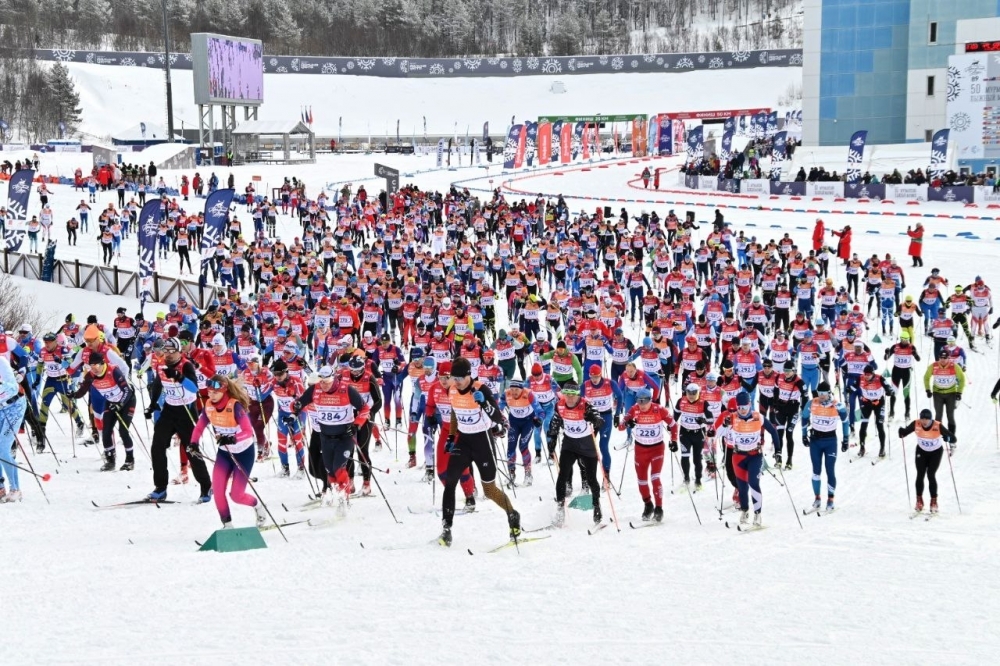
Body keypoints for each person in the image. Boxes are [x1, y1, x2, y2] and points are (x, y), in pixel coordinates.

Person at [439, 356, 520, 546]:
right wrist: (451, 437)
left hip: (482, 441)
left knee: (489, 490)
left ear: (469, 376)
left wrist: (484, 403)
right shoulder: (452, 390)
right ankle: (446, 529)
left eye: (459, 378)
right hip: (464, 441)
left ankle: (513, 515)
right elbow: (454, 412)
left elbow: (498, 417)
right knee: (450, 482)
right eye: (454, 378)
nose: (456, 382)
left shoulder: (480, 388)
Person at [189, 374, 267, 528]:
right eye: (209, 392)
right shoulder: (209, 406)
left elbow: (247, 431)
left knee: (236, 496)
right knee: (217, 491)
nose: (211, 395)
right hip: (225, 453)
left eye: (215, 392)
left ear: (224, 390)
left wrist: (232, 438)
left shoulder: (235, 406)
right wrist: (193, 443)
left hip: (243, 452)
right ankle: (228, 525)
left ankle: (258, 506)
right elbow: (199, 427)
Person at [144, 337, 212, 503]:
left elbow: (194, 388)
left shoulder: (186, 365)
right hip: (169, 409)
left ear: (179, 352)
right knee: (157, 447)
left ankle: (206, 486)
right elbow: (158, 383)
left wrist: (178, 377)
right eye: (165, 351)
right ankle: (160, 488)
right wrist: (152, 405)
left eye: (171, 351)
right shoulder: (161, 364)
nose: (167, 354)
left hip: (187, 411)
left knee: (191, 450)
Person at [293, 365, 369, 513]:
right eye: (322, 382)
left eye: (327, 382)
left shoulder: (346, 390)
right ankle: (337, 493)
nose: (324, 385)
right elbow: (299, 403)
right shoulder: (315, 389)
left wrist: (356, 425)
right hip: (326, 437)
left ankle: (344, 499)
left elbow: (364, 409)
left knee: (338, 469)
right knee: (330, 472)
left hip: (345, 437)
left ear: (334, 379)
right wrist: (294, 408)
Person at [548, 381, 605, 527]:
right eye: (568, 394)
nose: (570, 398)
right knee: (562, 476)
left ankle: (596, 506)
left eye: (573, 395)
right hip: (570, 444)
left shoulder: (586, 405)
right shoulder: (560, 405)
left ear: (578, 395)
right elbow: (555, 422)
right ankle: (560, 510)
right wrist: (552, 438)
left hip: (586, 445)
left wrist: (595, 420)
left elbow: (599, 419)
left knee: (592, 478)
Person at [618, 387, 677, 522]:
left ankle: (659, 508)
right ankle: (648, 505)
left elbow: (673, 425)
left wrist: (674, 441)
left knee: (655, 478)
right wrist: (628, 423)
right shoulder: (634, 409)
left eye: (645, 402)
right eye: (639, 401)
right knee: (642, 480)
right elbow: (620, 426)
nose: (642, 405)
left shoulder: (659, 409)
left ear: (651, 400)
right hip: (640, 450)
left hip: (657, 449)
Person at [72, 351, 136, 472]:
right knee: (106, 431)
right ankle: (110, 460)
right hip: (111, 402)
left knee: (123, 431)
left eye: (97, 365)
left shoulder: (113, 371)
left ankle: (129, 460)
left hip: (127, 401)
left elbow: (127, 391)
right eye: (91, 366)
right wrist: (73, 395)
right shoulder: (90, 375)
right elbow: (82, 391)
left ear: (103, 363)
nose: (94, 369)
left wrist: (120, 404)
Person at [725, 391, 779, 527]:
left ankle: (757, 514)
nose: (742, 410)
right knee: (742, 487)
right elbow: (717, 431)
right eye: (739, 407)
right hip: (738, 456)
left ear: (750, 405)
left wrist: (778, 451)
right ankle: (745, 511)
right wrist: (724, 426)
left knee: (753, 483)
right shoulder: (732, 417)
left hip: (755, 455)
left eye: (745, 407)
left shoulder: (758, 417)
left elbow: (773, 431)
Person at [800, 381, 850, 512]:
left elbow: (845, 422)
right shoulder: (812, 403)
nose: (821, 396)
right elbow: (804, 418)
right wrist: (804, 435)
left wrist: (846, 439)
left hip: (830, 442)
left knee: (830, 470)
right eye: (819, 393)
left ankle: (830, 499)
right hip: (815, 441)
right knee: (816, 471)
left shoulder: (838, 406)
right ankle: (817, 499)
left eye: (823, 394)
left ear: (829, 393)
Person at [898, 409, 956, 514]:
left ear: (930, 419)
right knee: (920, 474)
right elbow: (905, 432)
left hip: (936, 452)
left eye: (927, 419)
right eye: (922, 419)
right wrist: (901, 432)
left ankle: (934, 501)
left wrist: (948, 437)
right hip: (921, 451)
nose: (924, 422)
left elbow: (953, 438)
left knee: (931, 474)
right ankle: (919, 500)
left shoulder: (937, 425)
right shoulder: (916, 423)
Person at [0, 356, 28, 502]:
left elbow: (12, 388)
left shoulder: (1, 362)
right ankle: (0, 488)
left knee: (2, 448)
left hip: (14, 406)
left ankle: (15, 489)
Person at [924, 348, 965, 435]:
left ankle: (951, 437)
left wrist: (959, 392)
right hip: (937, 393)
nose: (943, 360)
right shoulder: (933, 366)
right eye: (941, 358)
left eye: (945, 358)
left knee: (950, 416)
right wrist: (928, 390)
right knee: (938, 416)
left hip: (951, 394)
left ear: (948, 358)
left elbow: (962, 379)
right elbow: (926, 377)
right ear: (939, 358)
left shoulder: (954, 366)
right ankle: (937, 436)